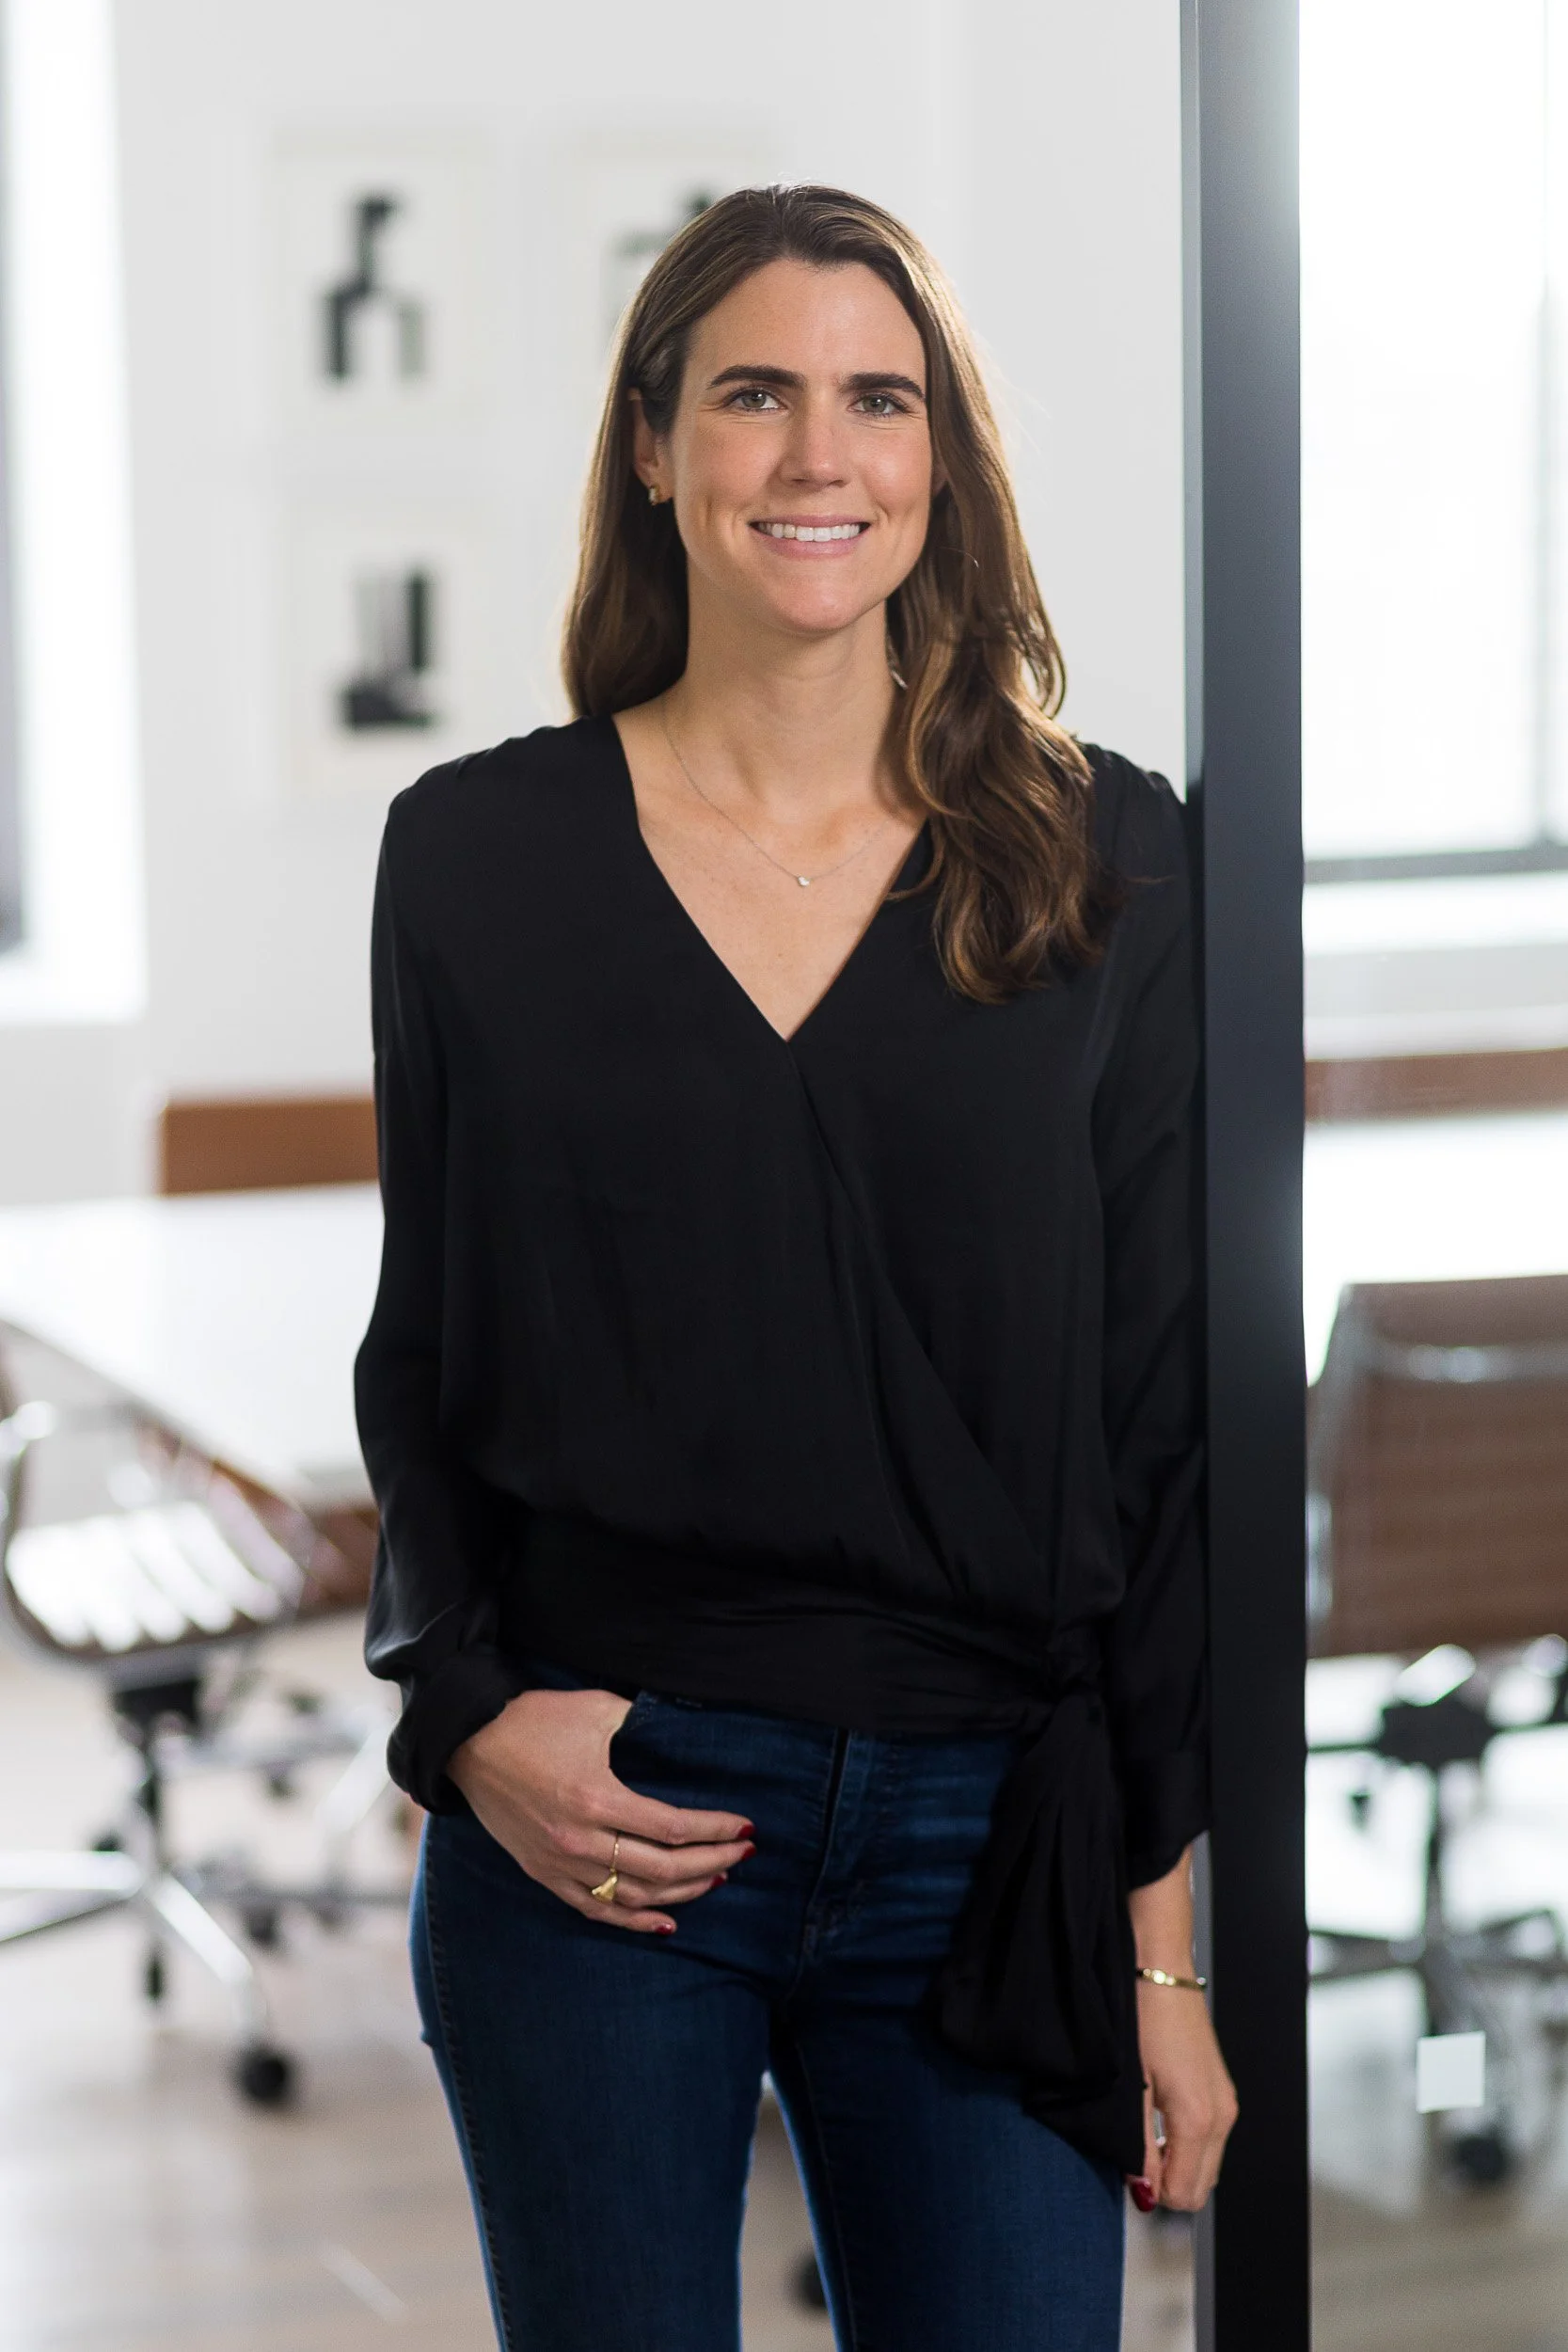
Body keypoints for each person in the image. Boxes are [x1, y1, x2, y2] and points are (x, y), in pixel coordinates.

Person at [356, 183, 1237, 2352]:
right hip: (604, 1828)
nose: (815, 456)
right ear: (654, 444)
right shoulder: (475, 854)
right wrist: (469, 1724)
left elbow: (1151, 1442)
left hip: (992, 1844)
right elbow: (424, 1364)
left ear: (941, 462)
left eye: (876, 398)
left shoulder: (1106, 859)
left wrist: (1160, 1954)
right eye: (753, 394)